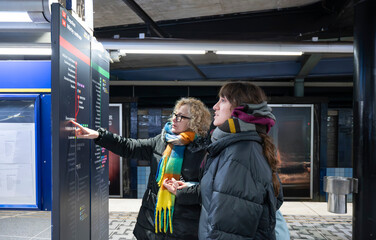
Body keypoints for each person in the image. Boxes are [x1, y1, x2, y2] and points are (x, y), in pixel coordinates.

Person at [71, 97, 212, 240]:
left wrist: (183, 191)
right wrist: (99, 135)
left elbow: (208, 190)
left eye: (181, 117)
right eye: (175, 114)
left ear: (195, 122)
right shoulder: (162, 141)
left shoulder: (204, 151)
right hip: (150, 224)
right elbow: (129, 146)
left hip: (183, 228)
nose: (175, 119)